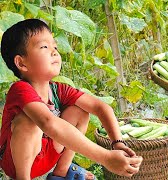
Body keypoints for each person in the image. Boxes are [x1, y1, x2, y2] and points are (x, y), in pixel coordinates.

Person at [0, 19, 143, 179]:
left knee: (80, 111)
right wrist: (106, 158)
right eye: (44, 47)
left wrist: (118, 143)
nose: (54, 52)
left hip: (46, 158)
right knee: (28, 122)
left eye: (55, 47)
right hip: (16, 163)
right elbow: (48, 123)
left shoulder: (58, 90)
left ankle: (60, 173)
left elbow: (101, 107)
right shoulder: (20, 89)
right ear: (21, 63)